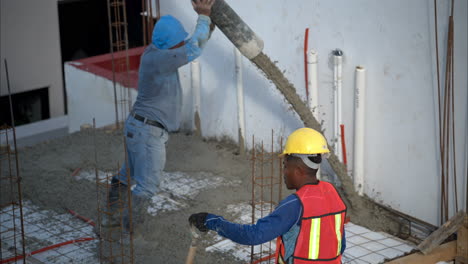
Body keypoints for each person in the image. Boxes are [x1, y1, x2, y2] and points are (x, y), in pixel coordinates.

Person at [107, 0, 216, 234]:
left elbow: (190, 45)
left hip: (137, 127)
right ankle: (130, 235)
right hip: (148, 133)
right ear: (169, 44)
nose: (180, 43)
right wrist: (204, 16)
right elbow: (193, 48)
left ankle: (111, 218)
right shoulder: (161, 60)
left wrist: (207, 24)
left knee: (127, 175)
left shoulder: (156, 52)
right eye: (178, 40)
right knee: (147, 187)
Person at [189, 128, 347, 264]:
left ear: (298, 170)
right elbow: (340, 243)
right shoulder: (332, 193)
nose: (283, 172)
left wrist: (213, 221)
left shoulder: (295, 205)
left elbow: (252, 235)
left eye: (285, 166)